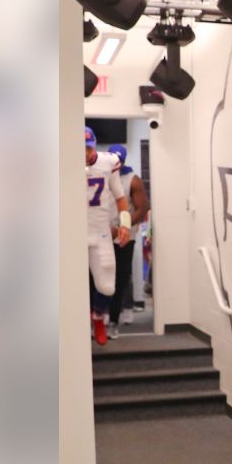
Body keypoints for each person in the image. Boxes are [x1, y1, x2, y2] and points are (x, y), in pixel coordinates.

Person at [85, 127, 130, 346]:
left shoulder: (107, 162)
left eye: (88, 148)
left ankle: (98, 317)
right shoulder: (62, 162)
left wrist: (125, 225)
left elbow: (121, 199)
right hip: (71, 234)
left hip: (100, 230)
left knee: (108, 287)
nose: (84, 153)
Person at [106, 143, 150, 337]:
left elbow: (142, 209)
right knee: (96, 280)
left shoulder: (132, 180)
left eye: (118, 161)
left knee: (120, 279)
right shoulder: (97, 174)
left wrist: (122, 228)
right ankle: (98, 319)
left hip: (124, 238)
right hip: (100, 236)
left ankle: (113, 321)